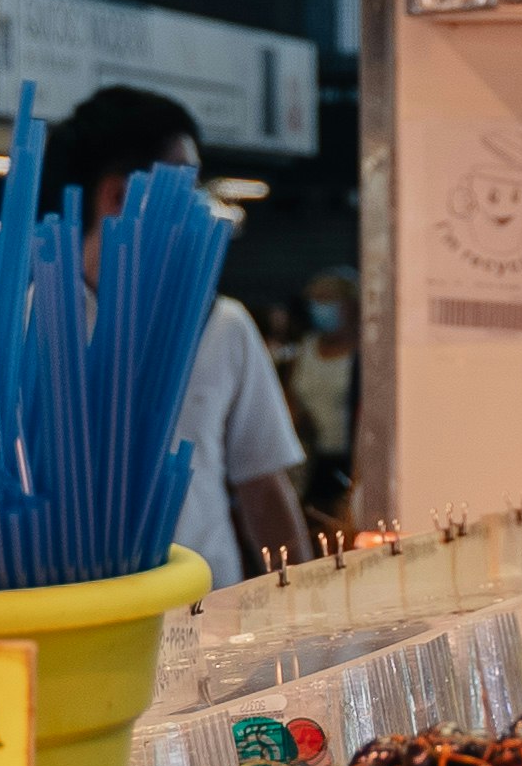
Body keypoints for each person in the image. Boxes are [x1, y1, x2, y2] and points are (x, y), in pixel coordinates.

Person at [46, 86, 309, 584]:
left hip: (210, 619)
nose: (200, 203)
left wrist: (307, 612)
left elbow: (263, 487)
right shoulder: (27, 322)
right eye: (188, 182)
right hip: (81, 617)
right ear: (120, 194)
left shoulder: (221, 323)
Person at [280, 269, 361, 510]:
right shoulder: (305, 349)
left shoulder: (363, 354)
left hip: (348, 459)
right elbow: (288, 396)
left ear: (350, 305)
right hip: (311, 461)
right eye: (315, 300)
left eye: (327, 299)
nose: (319, 306)